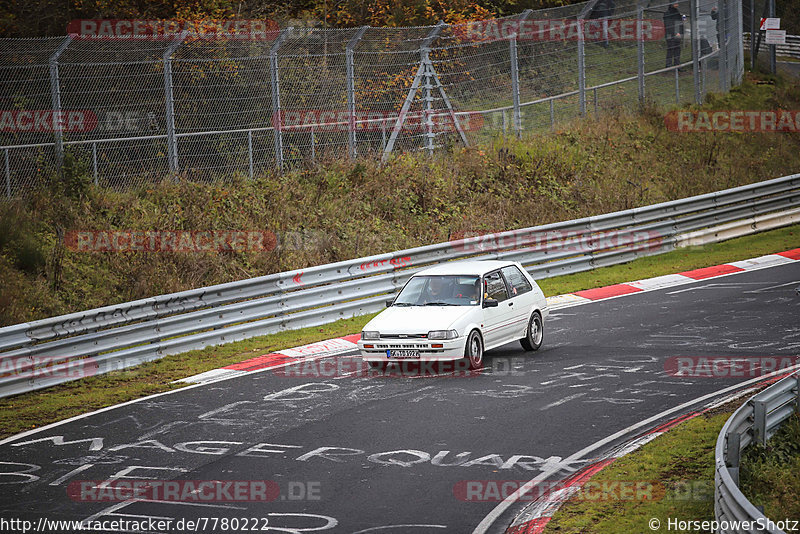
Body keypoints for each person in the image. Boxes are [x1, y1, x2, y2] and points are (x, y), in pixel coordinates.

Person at [664, 2, 684, 68]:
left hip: (677, 34)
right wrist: (675, 33)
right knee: (670, 49)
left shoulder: (677, 12)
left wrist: (680, 32)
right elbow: (668, 25)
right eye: (676, 4)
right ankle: (668, 65)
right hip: (670, 34)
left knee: (677, 49)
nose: (677, 5)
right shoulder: (668, 13)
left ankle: (677, 64)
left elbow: (679, 23)